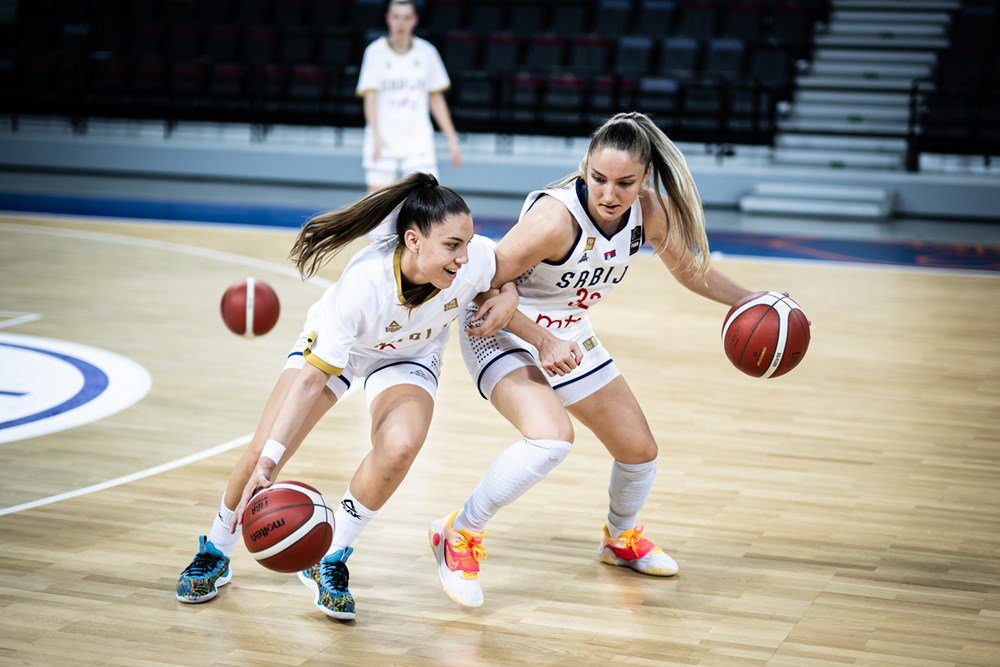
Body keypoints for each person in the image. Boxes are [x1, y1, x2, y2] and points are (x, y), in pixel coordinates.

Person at [428, 112, 758, 608]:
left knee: (639, 450)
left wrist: (752, 301)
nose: (609, 194)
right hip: (502, 328)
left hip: (567, 334)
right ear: (585, 168)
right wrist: (540, 339)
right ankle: (458, 533)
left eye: (625, 183)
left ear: (645, 178)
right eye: (599, 179)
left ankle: (619, 539)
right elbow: (478, 283)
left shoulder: (650, 212)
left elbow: (691, 271)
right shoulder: (554, 221)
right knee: (551, 439)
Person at [175, 173, 517, 621]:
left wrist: (507, 294)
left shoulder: (474, 258)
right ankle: (216, 551)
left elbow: (506, 271)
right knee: (264, 447)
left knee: (400, 446)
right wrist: (269, 465)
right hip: (346, 350)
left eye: (467, 243)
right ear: (413, 241)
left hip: (409, 354)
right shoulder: (364, 284)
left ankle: (330, 557)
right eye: (453, 245)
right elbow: (310, 382)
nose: (464, 256)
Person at [357, 0, 461, 195]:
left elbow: (436, 99)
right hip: (383, 137)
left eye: (406, 18)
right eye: (396, 17)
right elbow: (370, 99)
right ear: (388, 18)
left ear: (414, 20)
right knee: (377, 201)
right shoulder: (375, 52)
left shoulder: (427, 52)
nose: (401, 23)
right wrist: (376, 136)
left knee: (427, 197)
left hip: (417, 139)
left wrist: (451, 138)